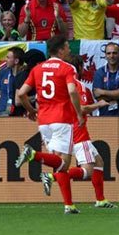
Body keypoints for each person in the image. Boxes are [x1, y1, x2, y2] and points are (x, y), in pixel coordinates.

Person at [14, 35, 85, 214]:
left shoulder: (38, 69)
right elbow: (71, 91)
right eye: (67, 47)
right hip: (62, 119)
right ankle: (33, 154)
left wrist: (31, 111)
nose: (69, 50)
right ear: (60, 50)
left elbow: (21, 94)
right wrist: (78, 113)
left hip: (43, 121)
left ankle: (69, 205)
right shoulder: (67, 68)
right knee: (64, 164)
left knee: (58, 165)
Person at [40, 55, 114, 209]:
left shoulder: (59, 86)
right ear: (79, 68)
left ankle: (100, 199)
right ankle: (51, 177)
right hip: (78, 133)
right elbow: (83, 108)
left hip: (61, 131)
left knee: (99, 162)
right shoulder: (79, 87)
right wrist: (99, 104)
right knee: (88, 170)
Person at [92, 42, 119, 116]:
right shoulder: (99, 72)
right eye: (108, 53)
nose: (111, 56)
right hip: (104, 115)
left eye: (114, 53)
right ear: (105, 55)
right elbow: (97, 95)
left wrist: (102, 92)